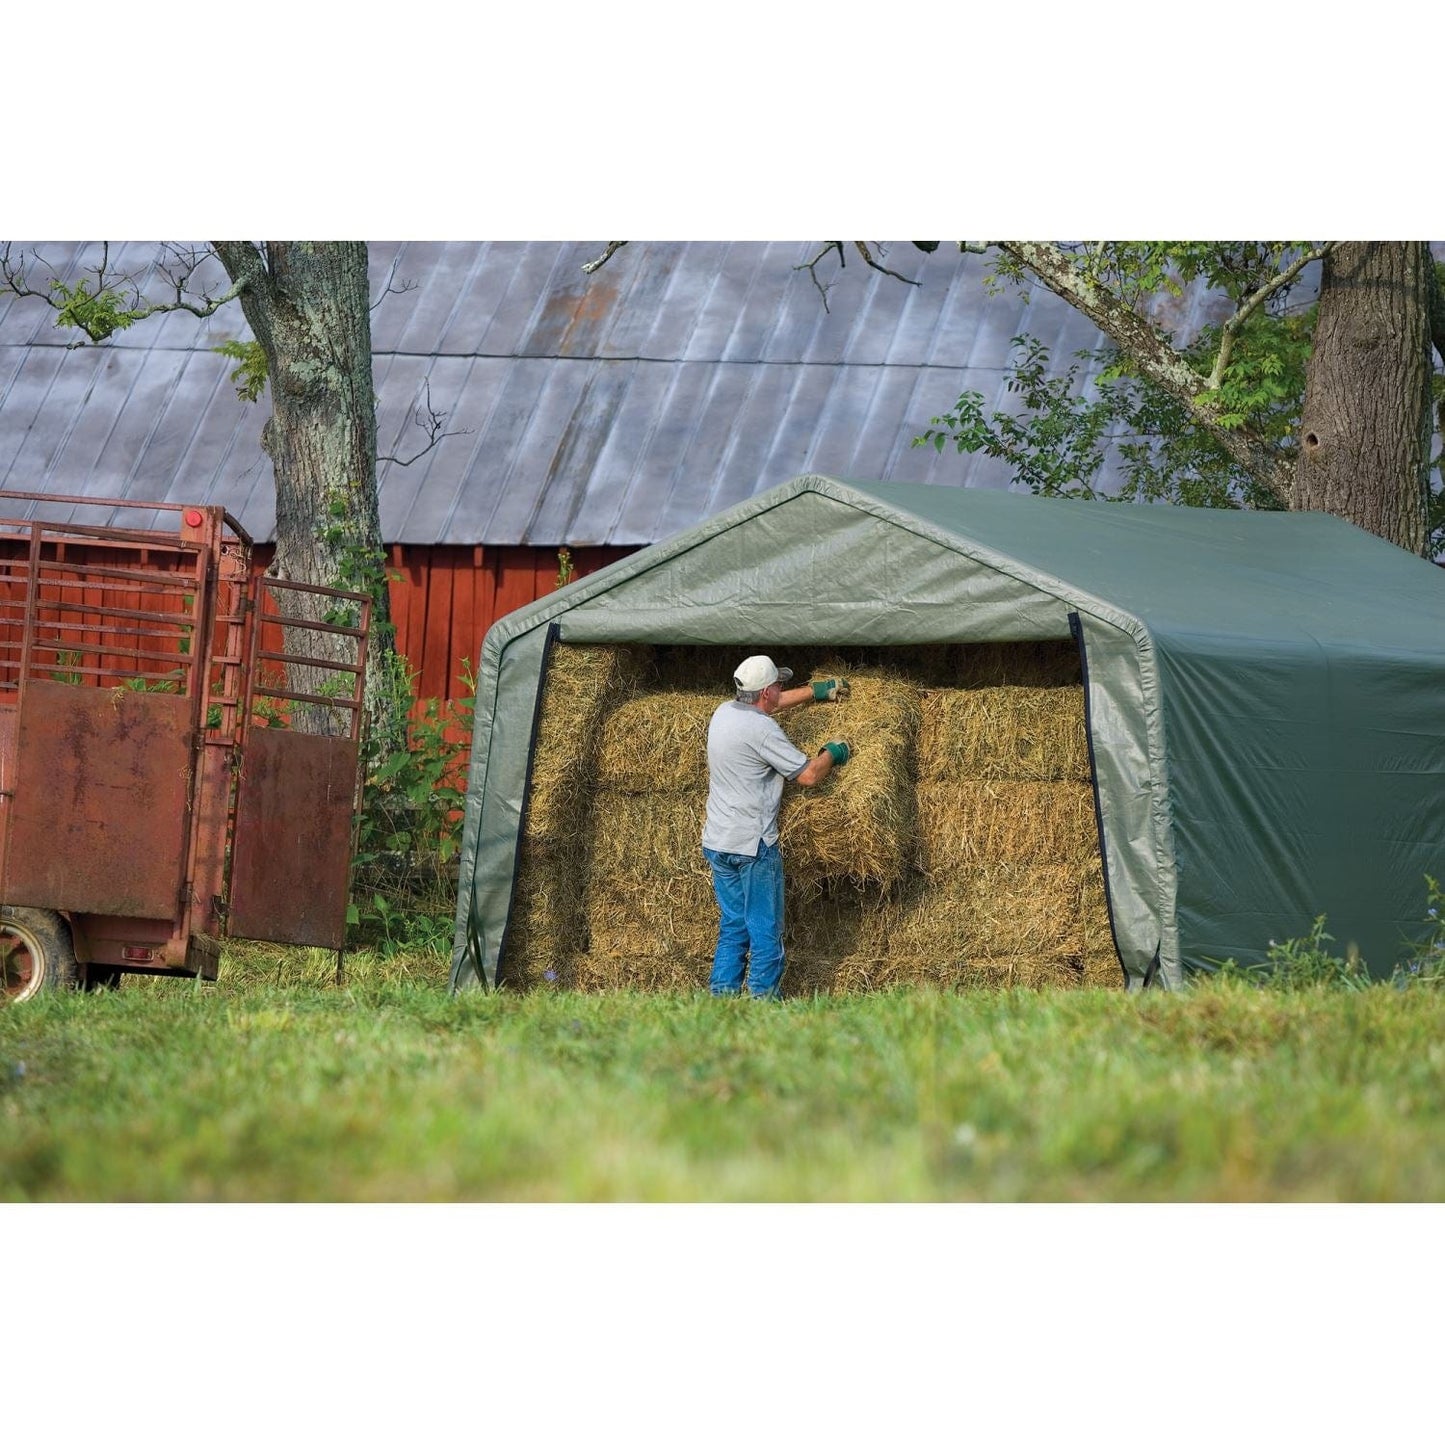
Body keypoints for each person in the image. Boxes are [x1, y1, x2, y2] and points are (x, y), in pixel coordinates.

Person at [701, 654, 851, 998]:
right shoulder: (763, 730)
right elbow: (809, 776)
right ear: (766, 691)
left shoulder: (723, 712)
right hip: (752, 846)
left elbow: (772, 703)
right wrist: (833, 752)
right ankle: (762, 1002)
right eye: (779, 684)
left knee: (734, 924)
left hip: (718, 841)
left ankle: (721, 998)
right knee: (765, 927)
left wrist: (815, 692)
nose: (782, 689)